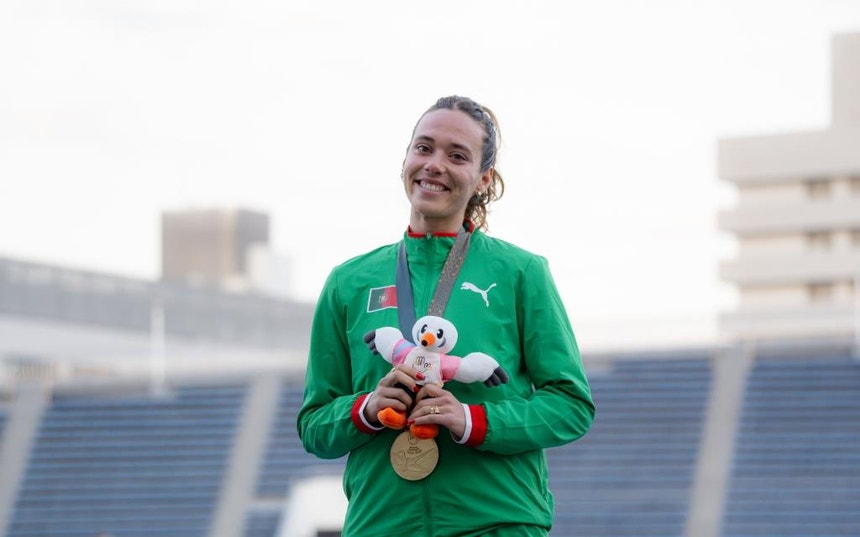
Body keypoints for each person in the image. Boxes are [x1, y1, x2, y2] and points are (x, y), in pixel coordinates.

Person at [297, 95, 595, 536]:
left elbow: (571, 406)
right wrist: (367, 408)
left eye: (457, 156)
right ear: (405, 161)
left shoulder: (521, 273)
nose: (435, 164)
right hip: (381, 525)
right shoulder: (348, 281)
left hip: (496, 524)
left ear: (482, 178)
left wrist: (473, 421)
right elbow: (314, 424)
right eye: (424, 148)